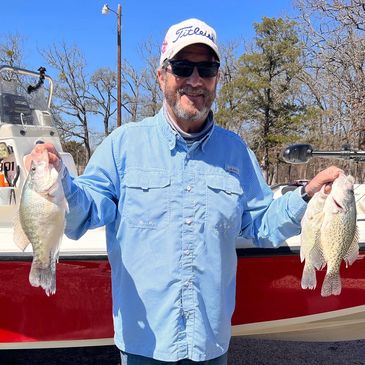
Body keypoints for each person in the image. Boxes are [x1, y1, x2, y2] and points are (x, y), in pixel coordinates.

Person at [29, 18, 342, 365]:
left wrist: (307, 195)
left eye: (206, 68)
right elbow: (82, 214)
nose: (195, 80)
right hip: (143, 348)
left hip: (210, 347)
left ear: (217, 79)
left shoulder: (236, 152)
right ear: (162, 75)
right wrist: (57, 178)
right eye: (182, 67)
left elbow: (260, 224)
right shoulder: (123, 146)